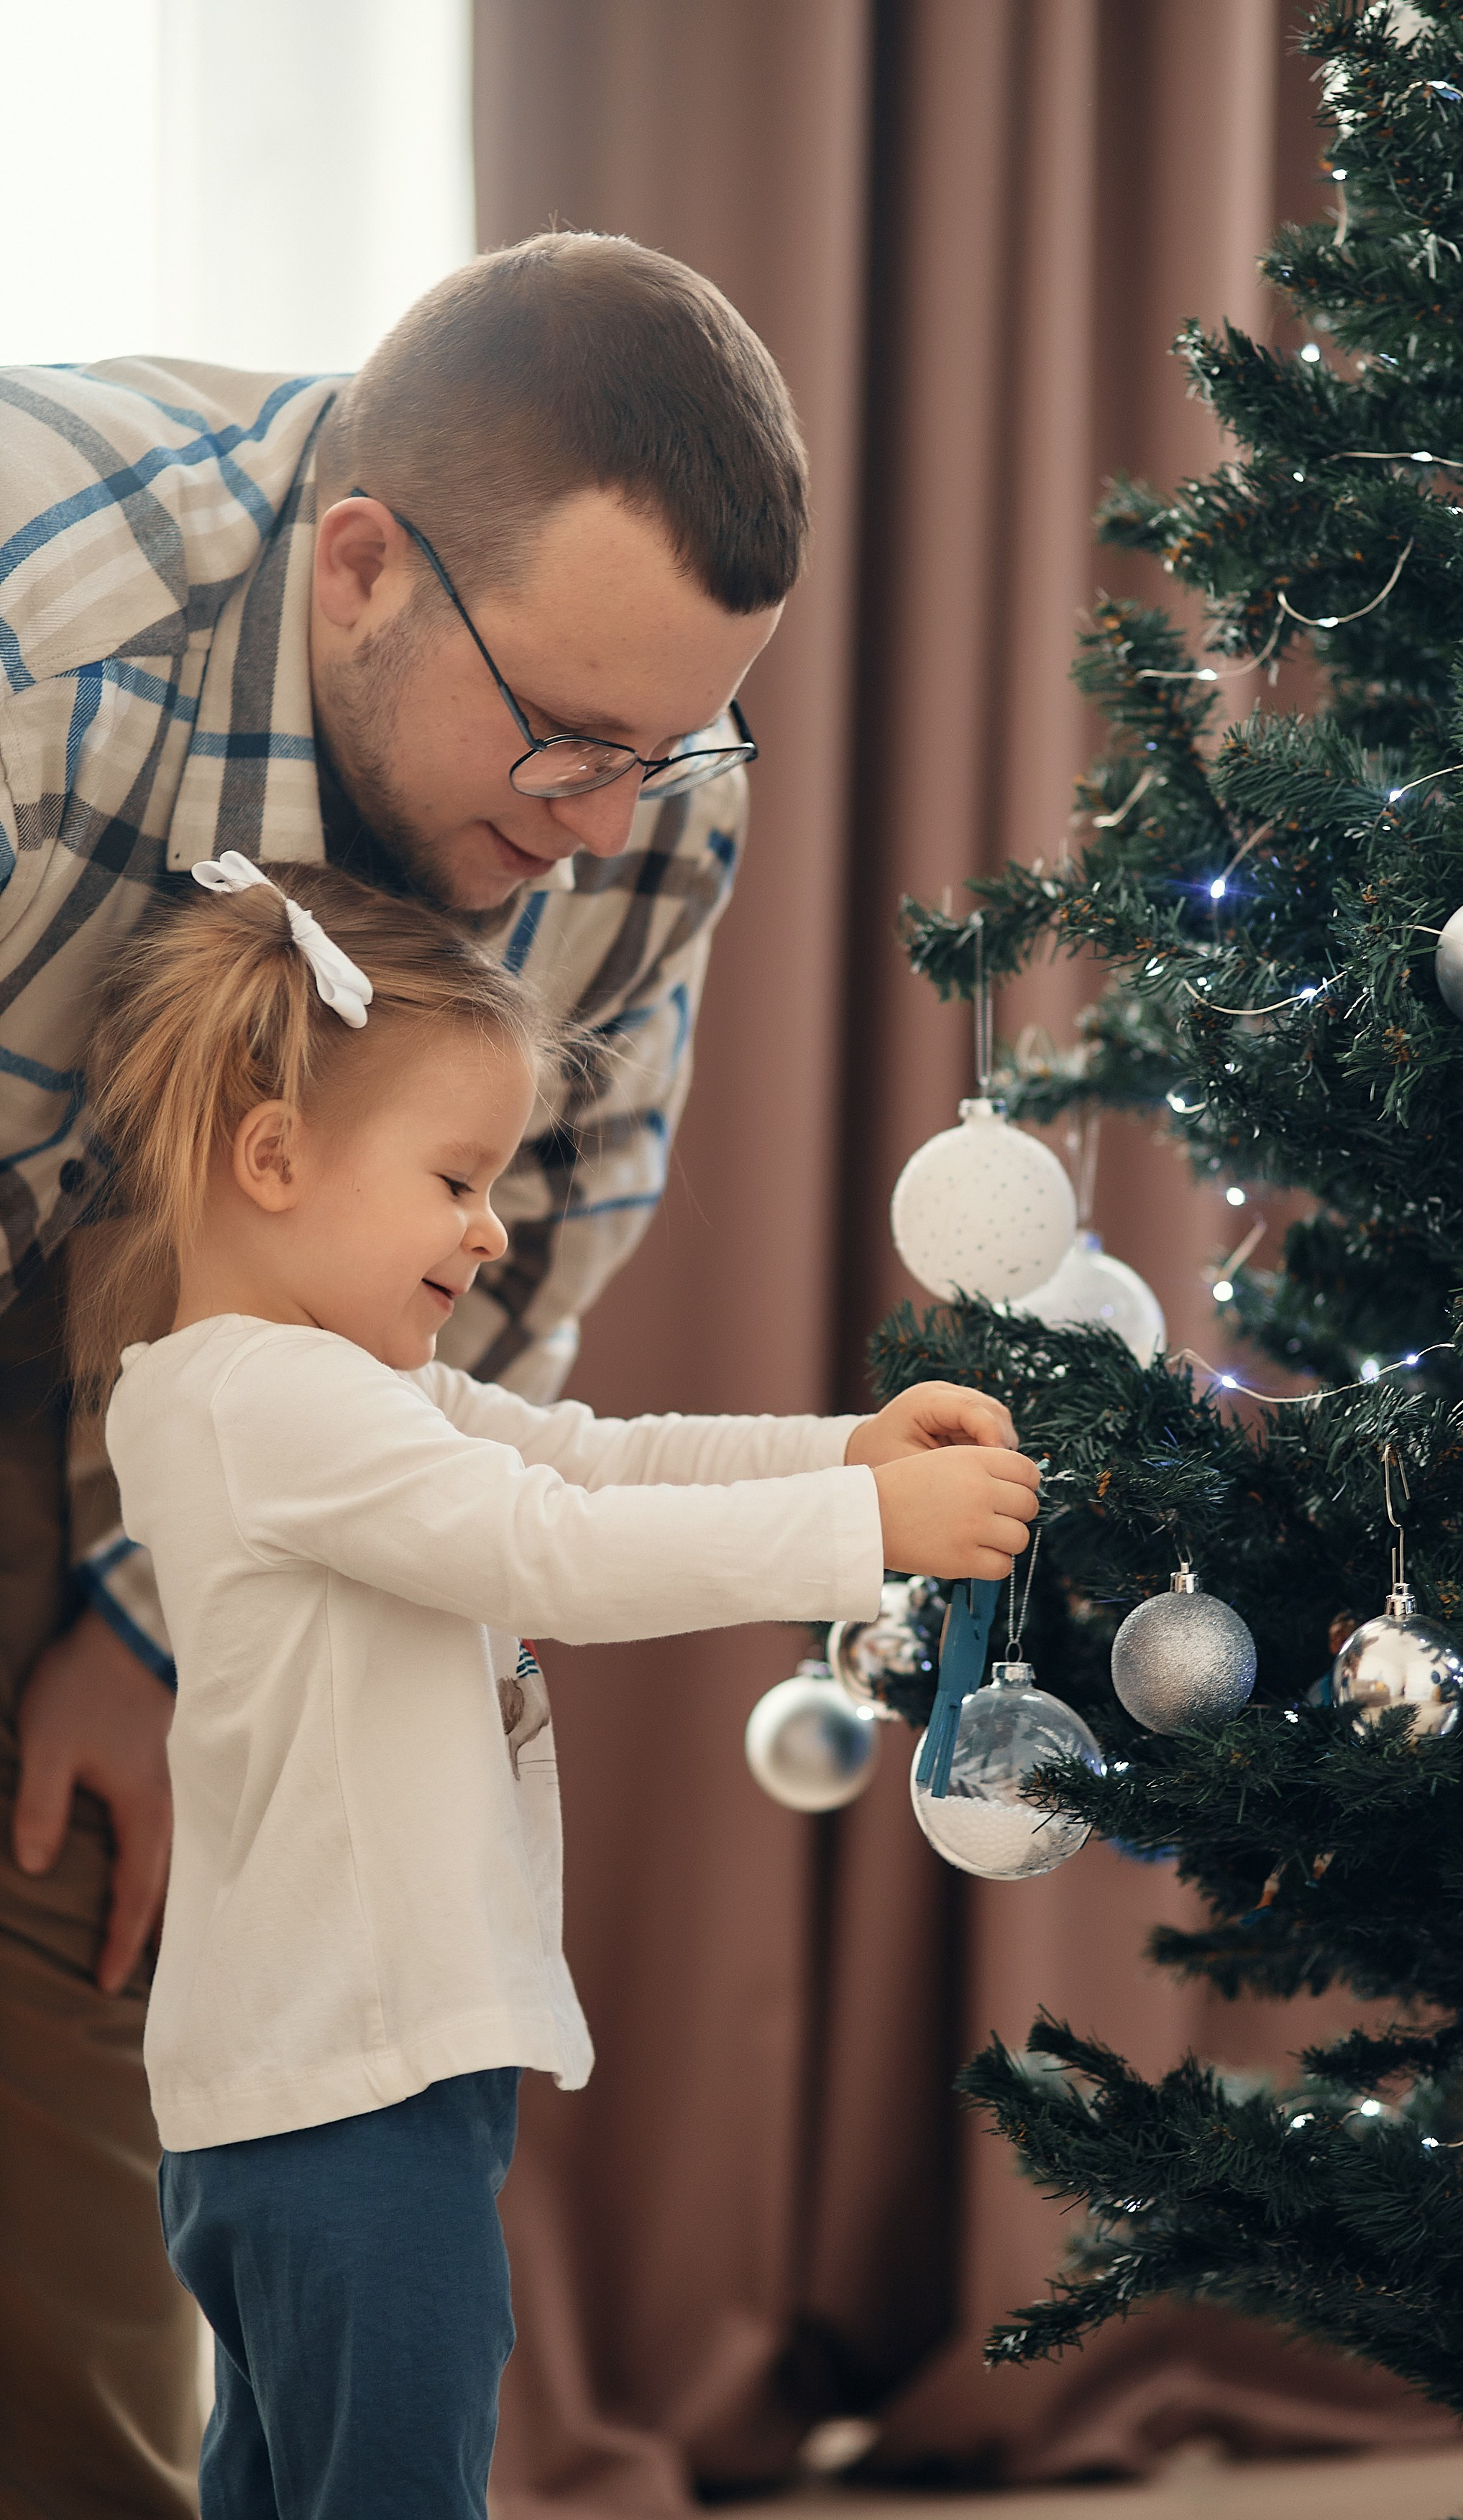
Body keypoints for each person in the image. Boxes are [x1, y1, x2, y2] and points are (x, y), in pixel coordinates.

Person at [0, 231, 817, 2515]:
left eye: (671, 743)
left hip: (205, 1360)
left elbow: (519, 1258)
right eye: (561, 732)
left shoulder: (641, 791)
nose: (607, 812)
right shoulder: (38, 653)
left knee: (92, 1968)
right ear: (360, 567)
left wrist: (154, 1617)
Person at [81, 850, 1038, 2520]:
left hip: (320, 2089)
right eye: (455, 1175)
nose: (491, 1221)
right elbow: (548, 1550)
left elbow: (591, 1460)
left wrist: (840, 1447)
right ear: (276, 1155)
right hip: (349, 2097)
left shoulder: (314, 1390)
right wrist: (859, 1527)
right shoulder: (275, 1404)